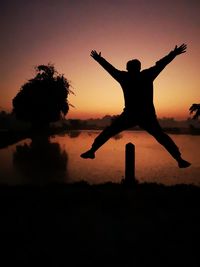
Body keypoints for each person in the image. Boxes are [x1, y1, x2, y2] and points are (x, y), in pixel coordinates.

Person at [81, 44, 191, 168]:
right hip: (141, 114)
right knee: (161, 137)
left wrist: (99, 59)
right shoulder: (145, 75)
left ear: (128, 68)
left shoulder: (126, 76)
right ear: (138, 68)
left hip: (135, 114)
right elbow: (161, 64)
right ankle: (179, 159)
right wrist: (173, 54)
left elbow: (110, 69)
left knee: (110, 132)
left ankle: (92, 151)